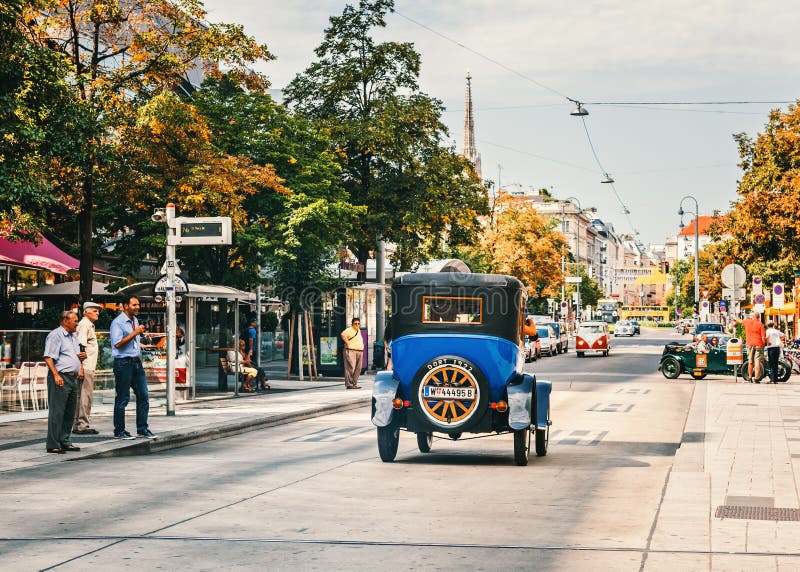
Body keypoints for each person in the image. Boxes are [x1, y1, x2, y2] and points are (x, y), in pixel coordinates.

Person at [110, 295, 157, 439]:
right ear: (126, 306)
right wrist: (135, 333)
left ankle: (142, 428)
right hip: (123, 363)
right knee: (123, 398)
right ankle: (119, 431)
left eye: (138, 305)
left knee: (143, 396)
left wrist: (140, 341)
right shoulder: (117, 323)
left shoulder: (134, 320)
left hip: (136, 362)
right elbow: (117, 344)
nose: (138, 307)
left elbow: (132, 341)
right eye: (134, 305)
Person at [43, 311, 86, 453]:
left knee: (69, 412)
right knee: (57, 411)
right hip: (61, 376)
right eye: (75, 321)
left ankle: (65, 440)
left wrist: (81, 359)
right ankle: (53, 444)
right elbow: (49, 357)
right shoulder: (56, 335)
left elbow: (73, 356)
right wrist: (56, 375)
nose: (77, 323)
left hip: (72, 377)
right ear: (65, 321)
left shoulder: (73, 336)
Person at [73, 301, 101, 435]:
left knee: (81, 396)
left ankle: (78, 424)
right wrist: (81, 367)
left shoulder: (88, 324)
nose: (98, 313)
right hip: (86, 366)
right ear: (86, 312)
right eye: (95, 311)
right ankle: (82, 425)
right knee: (85, 396)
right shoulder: (85, 324)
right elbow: (80, 346)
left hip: (87, 366)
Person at [736, 312, 766, 383]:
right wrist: (763, 344)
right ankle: (756, 378)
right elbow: (763, 337)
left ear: (753, 316)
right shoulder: (761, 324)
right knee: (757, 361)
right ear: (759, 317)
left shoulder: (747, 322)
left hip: (749, 344)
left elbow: (740, 321)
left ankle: (749, 378)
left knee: (750, 361)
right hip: (759, 344)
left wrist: (734, 317)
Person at [340, 317, 363, 389]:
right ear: (352, 324)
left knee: (358, 368)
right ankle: (349, 384)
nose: (357, 325)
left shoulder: (358, 330)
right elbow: (342, 334)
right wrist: (347, 342)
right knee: (350, 367)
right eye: (355, 323)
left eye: (358, 324)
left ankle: (354, 383)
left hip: (359, 351)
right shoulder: (349, 330)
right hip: (350, 350)